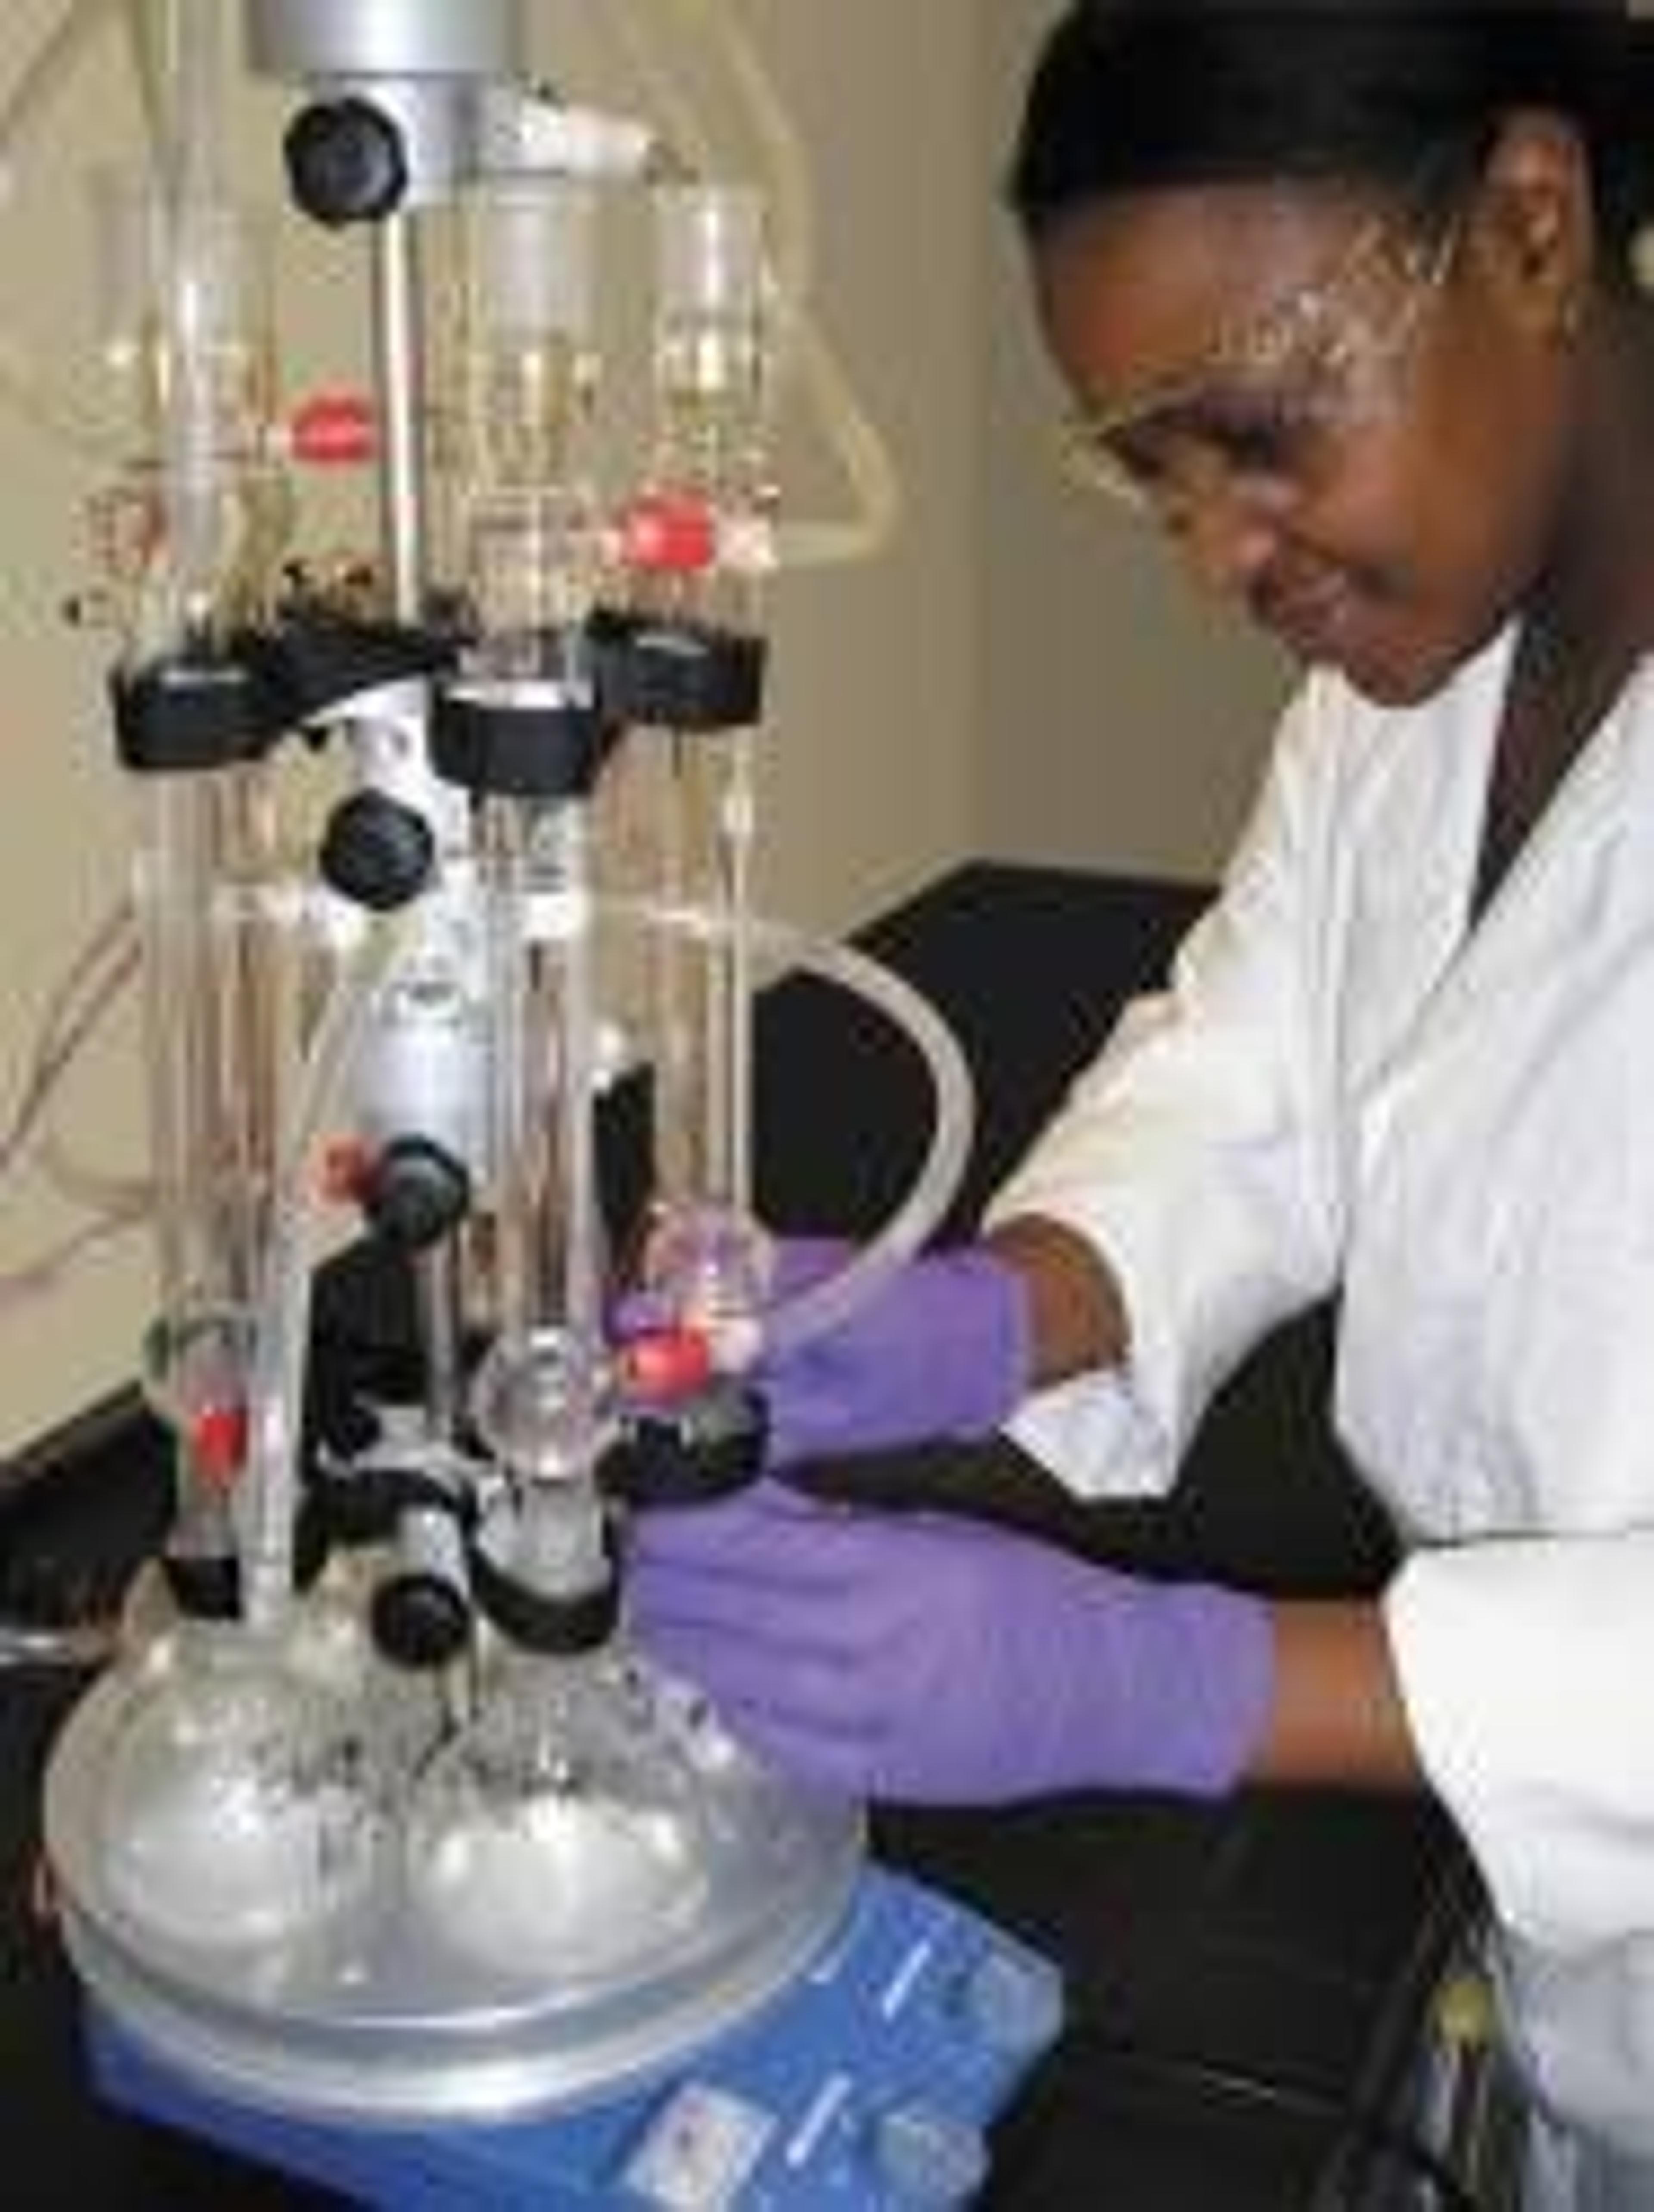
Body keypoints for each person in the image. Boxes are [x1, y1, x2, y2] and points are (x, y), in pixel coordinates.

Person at [624, 5, 1654, 2204]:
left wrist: (1171, 1686)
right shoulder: (1423, 681)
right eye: (1160, 478)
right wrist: (985, 1317)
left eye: (1261, 434)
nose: (1221, 561)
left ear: (1532, 228)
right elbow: (1266, 1061)